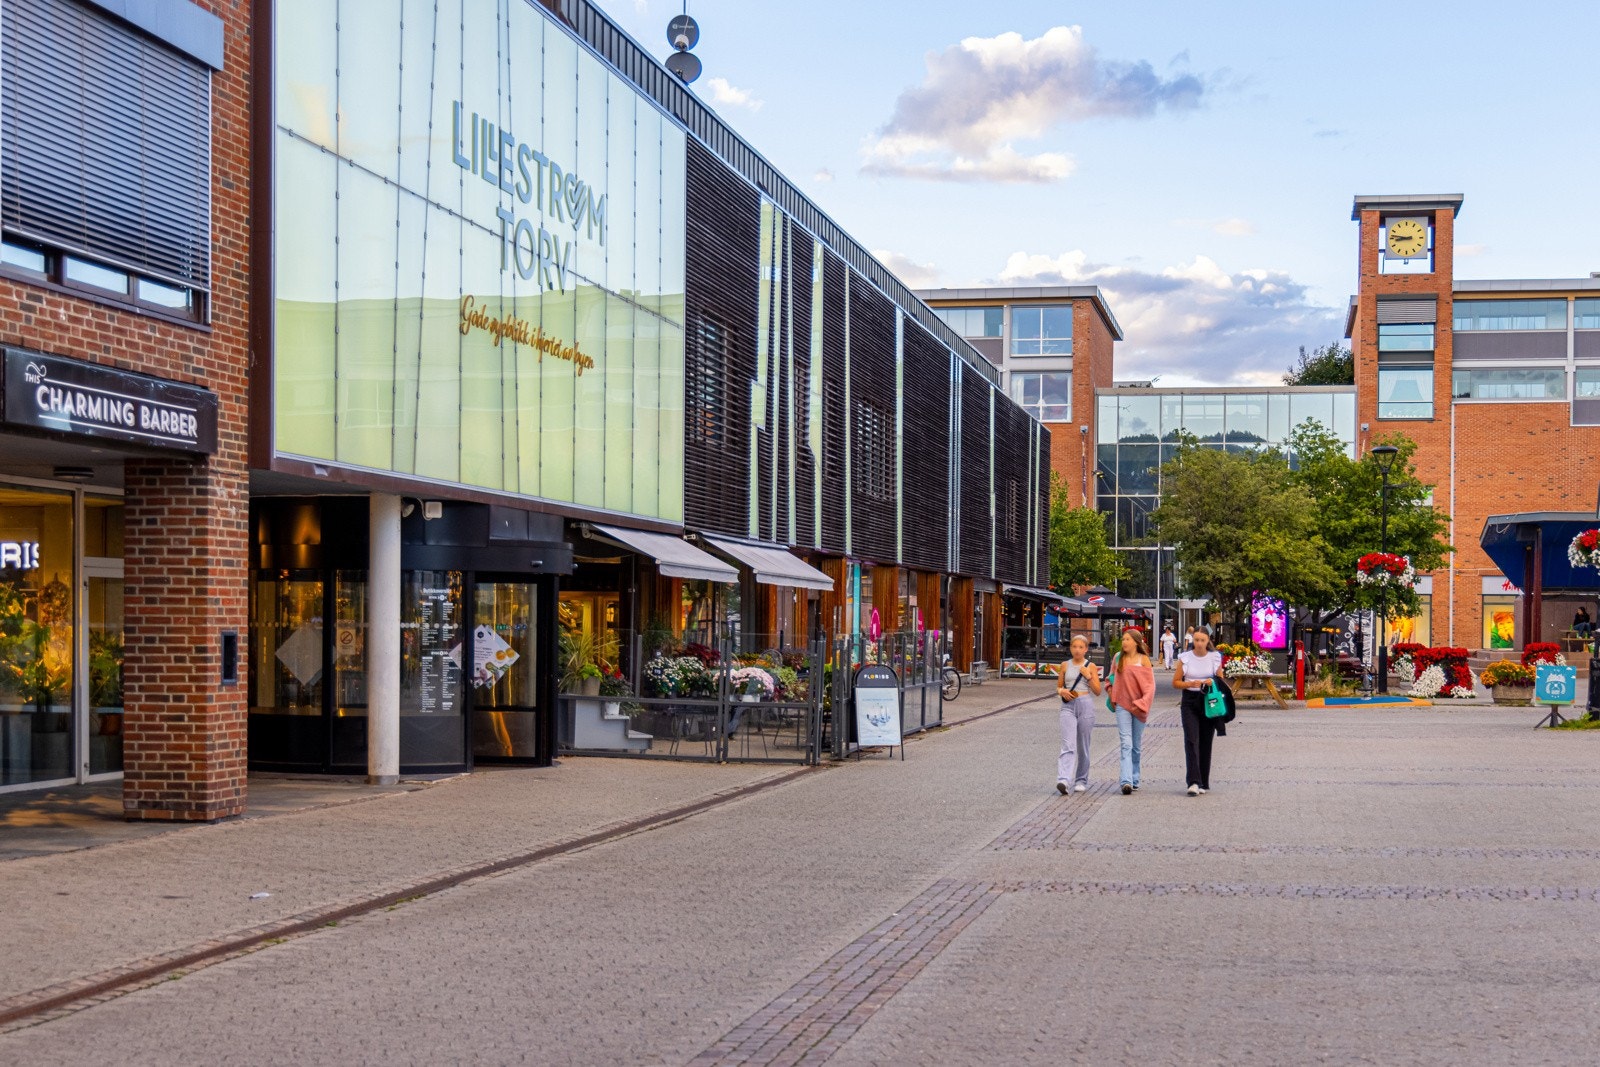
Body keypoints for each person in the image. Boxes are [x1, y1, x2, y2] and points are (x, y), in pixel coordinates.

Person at [1173, 628, 1224, 797]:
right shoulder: (1185, 658)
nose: (1199, 643)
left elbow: (1221, 680)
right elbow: (1176, 682)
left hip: (1208, 700)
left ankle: (1203, 781)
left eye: (1202, 640)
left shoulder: (1214, 657)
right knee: (1191, 739)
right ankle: (1193, 781)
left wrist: (1212, 681)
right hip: (1189, 701)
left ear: (1208, 640)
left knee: (1205, 741)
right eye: (1196, 640)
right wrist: (1189, 684)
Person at [1054, 634, 1102, 795]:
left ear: (1086, 649)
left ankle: (1081, 780)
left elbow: (1097, 691)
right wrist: (1062, 691)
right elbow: (1059, 686)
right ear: (1070, 648)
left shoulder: (1091, 666)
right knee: (1068, 744)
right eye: (1074, 647)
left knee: (1083, 745)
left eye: (1081, 647)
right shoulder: (1065, 665)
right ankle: (1064, 780)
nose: (1077, 650)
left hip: (1085, 704)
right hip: (1068, 705)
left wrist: (1088, 676)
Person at [1109, 629, 1156, 795]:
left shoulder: (1143, 660)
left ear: (1136, 642)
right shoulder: (1117, 658)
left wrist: (1142, 703)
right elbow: (1110, 679)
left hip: (1139, 706)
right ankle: (1126, 781)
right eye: (1123, 639)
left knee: (1136, 746)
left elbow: (1150, 687)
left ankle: (1135, 778)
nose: (1124, 642)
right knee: (1126, 743)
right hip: (1122, 705)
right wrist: (1111, 694)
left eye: (1127, 639)